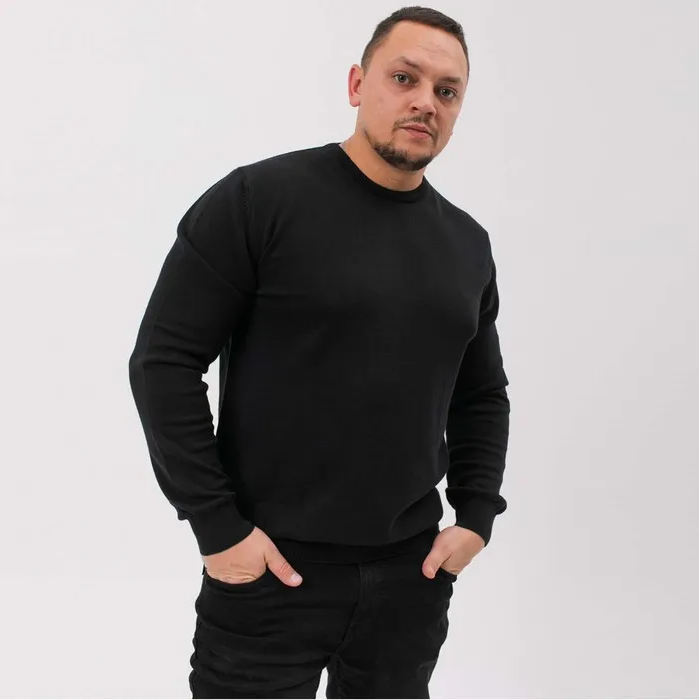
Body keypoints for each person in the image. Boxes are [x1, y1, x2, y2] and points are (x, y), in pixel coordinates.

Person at [128, 5, 510, 698]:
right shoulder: (258, 200)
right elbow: (164, 362)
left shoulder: (466, 244)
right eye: (404, 78)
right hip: (269, 572)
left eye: (447, 91)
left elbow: (481, 393)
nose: (426, 102)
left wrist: (476, 517)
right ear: (358, 84)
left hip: (410, 580)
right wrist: (218, 528)